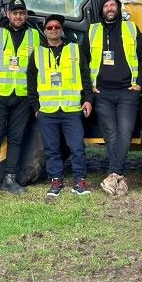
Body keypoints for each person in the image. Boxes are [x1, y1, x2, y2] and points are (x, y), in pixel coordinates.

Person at [0, 0, 41, 195]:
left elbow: (38, 68)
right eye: (15, 13)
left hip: (22, 97)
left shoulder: (35, 36)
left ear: (26, 15)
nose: (18, 16)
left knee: (16, 138)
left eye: (22, 13)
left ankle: (11, 179)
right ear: (8, 14)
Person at [27, 14, 93, 197]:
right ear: (45, 31)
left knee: (77, 147)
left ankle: (80, 181)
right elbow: (31, 83)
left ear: (61, 29)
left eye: (57, 27)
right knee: (52, 149)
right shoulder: (37, 54)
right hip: (47, 111)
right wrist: (36, 108)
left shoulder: (75, 50)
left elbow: (86, 77)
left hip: (71, 110)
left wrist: (88, 99)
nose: (54, 30)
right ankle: (56, 181)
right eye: (50, 27)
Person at [89, 0, 142, 196]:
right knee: (111, 134)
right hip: (102, 93)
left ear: (118, 8)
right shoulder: (93, 31)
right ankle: (118, 176)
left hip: (127, 91)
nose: (110, 8)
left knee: (125, 132)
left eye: (113, 4)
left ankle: (113, 174)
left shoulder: (131, 29)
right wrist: (90, 85)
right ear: (101, 10)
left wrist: (140, 83)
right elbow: (82, 60)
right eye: (106, 5)